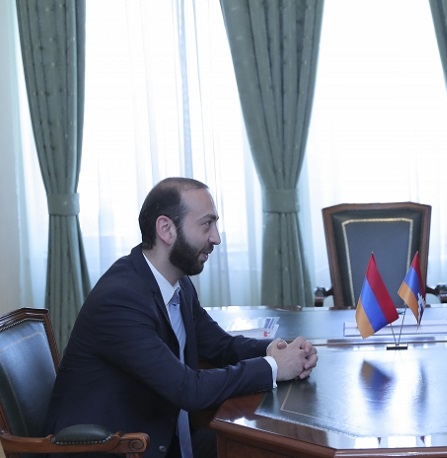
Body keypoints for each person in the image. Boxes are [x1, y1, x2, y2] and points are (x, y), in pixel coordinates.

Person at [45, 177, 319, 458]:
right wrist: (273, 367)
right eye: (206, 224)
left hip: (164, 438)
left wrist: (278, 349)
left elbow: (221, 346)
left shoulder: (179, 284)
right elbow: (188, 389)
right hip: (120, 448)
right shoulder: (119, 299)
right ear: (166, 229)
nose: (216, 238)